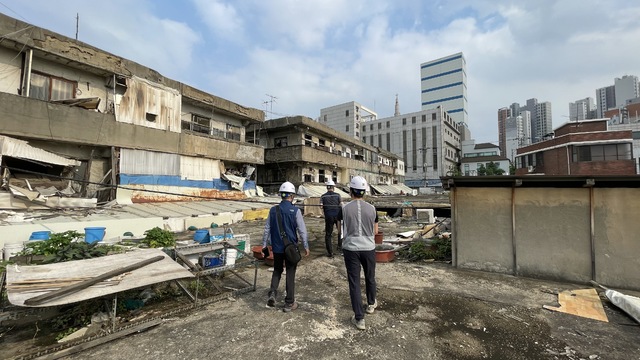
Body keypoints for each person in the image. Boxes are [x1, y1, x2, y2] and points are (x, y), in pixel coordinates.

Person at [262, 181, 310, 312]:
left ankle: (272, 293)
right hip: (290, 248)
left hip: (277, 248)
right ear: (292, 196)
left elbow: (267, 229)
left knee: (277, 270)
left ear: (281, 195)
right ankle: (289, 303)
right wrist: (306, 245)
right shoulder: (295, 211)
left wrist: (264, 246)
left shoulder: (273, 210)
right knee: (290, 273)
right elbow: (302, 231)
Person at [339, 176, 378, 330]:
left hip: (351, 249)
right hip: (368, 248)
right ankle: (370, 304)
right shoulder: (372, 209)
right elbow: (375, 231)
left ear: (351, 191)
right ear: (364, 192)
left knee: (354, 282)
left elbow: (340, 229)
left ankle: (359, 318)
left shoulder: (344, 208)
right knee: (370, 277)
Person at [319, 179, 342, 257]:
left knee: (328, 234)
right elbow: (341, 204)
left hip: (328, 216)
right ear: (333, 187)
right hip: (338, 216)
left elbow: (321, 206)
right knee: (340, 231)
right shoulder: (338, 195)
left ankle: (330, 252)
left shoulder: (323, 196)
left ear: (327, 187)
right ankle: (340, 247)